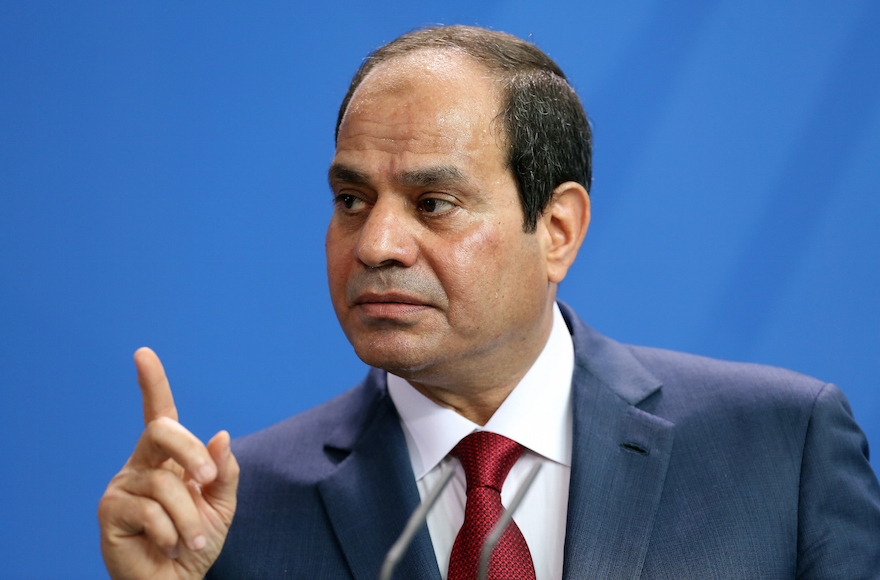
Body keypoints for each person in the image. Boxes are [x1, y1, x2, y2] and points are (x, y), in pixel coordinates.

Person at [98, 25, 880, 580]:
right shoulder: (233, 514)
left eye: (433, 203)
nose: (375, 245)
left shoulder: (782, 450)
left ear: (558, 231)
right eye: (350, 198)